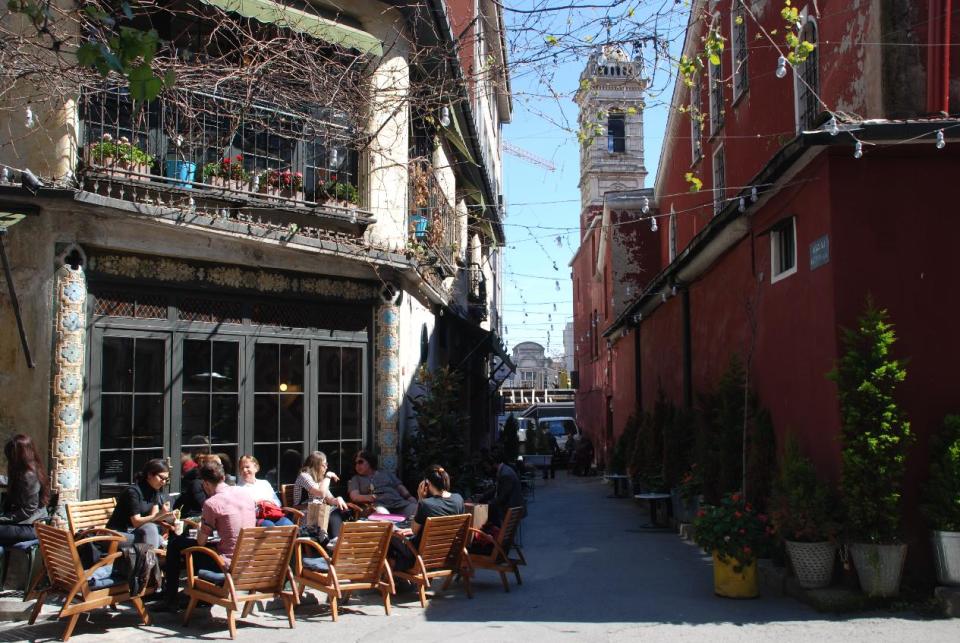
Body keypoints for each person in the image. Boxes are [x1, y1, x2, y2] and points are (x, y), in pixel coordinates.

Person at [160, 459, 256, 609]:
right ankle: (198, 594)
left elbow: (201, 542)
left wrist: (201, 527)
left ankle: (170, 599)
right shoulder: (245, 494)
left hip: (227, 565)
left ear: (205, 484)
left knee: (176, 544)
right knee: (203, 548)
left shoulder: (212, 503)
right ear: (223, 478)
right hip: (250, 559)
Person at [391, 465, 464, 571]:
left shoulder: (426, 504)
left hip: (421, 555)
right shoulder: (458, 499)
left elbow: (413, 531)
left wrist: (421, 498)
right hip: (447, 553)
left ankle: (393, 570)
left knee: (389, 531)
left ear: (427, 483)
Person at [105, 459, 174, 549]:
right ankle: (150, 562)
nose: (164, 482)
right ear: (149, 474)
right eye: (161, 477)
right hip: (116, 534)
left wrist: (168, 518)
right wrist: (160, 514)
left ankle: (150, 561)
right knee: (152, 532)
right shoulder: (132, 492)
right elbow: (136, 522)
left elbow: (154, 517)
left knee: (160, 538)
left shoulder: (154, 491)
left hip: (135, 533)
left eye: (166, 479)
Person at [0, 434, 49, 546]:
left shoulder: (29, 475)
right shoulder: (30, 468)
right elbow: (17, 483)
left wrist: (2, 518)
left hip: (31, 527)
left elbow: (28, 510)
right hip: (25, 524)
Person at [293, 451, 349, 537]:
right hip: (304, 515)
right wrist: (328, 476)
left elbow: (329, 499)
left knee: (339, 511)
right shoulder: (304, 476)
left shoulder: (320, 480)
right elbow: (321, 493)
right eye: (324, 464)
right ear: (316, 465)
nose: (326, 467)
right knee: (330, 512)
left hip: (320, 513)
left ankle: (336, 541)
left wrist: (338, 499)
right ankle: (334, 541)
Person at [347, 450, 418, 519]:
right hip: (378, 505)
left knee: (417, 510)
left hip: (398, 503)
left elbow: (399, 487)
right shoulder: (356, 479)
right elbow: (354, 496)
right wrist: (370, 497)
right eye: (355, 463)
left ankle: (411, 530)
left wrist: (409, 497)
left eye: (360, 462)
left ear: (370, 462)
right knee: (382, 515)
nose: (357, 465)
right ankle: (397, 530)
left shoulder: (385, 473)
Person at [237, 454, 294, 527]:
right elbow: (241, 510)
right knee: (269, 527)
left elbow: (278, 502)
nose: (244, 470)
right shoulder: (239, 488)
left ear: (256, 468)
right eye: (241, 468)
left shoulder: (264, 483)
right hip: (256, 517)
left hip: (272, 513)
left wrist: (268, 502)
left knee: (289, 526)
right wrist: (256, 503)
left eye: (247, 467)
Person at [474, 448, 524, 527]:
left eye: (487, 467)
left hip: (509, 510)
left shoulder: (505, 474)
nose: (486, 470)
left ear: (493, 464)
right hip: (509, 509)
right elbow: (497, 489)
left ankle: (493, 537)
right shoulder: (504, 470)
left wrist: (486, 505)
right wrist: (483, 496)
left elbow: (502, 497)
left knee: (487, 519)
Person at [174, 453, 221, 517]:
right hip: (190, 517)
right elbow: (204, 505)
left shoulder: (216, 481)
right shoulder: (196, 483)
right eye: (219, 466)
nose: (221, 468)